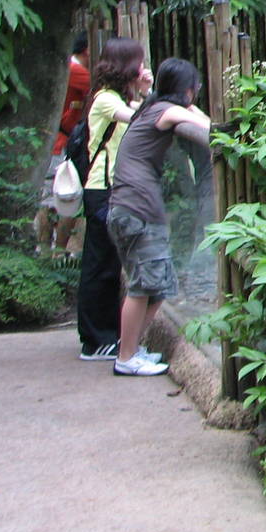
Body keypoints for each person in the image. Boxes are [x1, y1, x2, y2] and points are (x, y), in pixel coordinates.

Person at [106, 57, 210, 377]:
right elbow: (209, 127)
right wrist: (191, 105)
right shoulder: (165, 111)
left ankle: (134, 350)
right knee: (142, 286)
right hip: (136, 211)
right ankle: (125, 357)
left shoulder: (152, 107)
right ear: (188, 91)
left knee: (159, 285)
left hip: (133, 208)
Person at [75, 37, 152, 362]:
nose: (143, 67)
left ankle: (106, 337)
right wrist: (148, 95)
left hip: (113, 189)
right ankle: (95, 340)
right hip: (101, 190)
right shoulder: (106, 99)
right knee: (100, 266)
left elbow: (152, 111)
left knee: (107, 264)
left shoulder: (118, 97)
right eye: (139, 62)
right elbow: (141, 119)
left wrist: (148, 92)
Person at [35, 34, 91, 259]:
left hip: (54, 142)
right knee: (68, 197)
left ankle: (47, 250)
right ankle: (57, 251)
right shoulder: (75, 71)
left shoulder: (62, 67)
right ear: (87, 51)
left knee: (48, 197)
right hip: (62, 145)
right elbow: (98, 86)